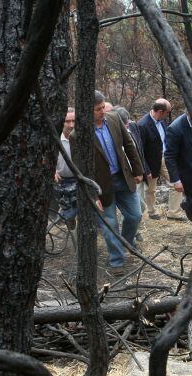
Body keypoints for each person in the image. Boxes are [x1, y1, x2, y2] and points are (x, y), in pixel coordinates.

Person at [70, 91, 144, 275]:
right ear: (87, 110)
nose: (103, 111)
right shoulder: (77, 134)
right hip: (100, 185)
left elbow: (128, 144)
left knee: (135, 215)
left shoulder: (114, 119)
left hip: (123, 178)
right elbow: (79, 169)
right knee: (110, 224)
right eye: (98, 109)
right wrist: (92, 195)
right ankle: (117, 261)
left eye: (103, 107)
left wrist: (137, 170)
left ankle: (126, 242)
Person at [138, 98, 181, 220]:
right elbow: (139, 150)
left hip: (165, 158)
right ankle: (151, 212)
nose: (168, 114)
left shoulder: (162, 121)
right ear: (161, 111)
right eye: (167, 112)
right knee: (150, 189)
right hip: (150, 162)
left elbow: (165, 140)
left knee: (176, 183)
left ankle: (174, 213)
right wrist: (146, 169)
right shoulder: (142, 125)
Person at [115, 107, 150, 218]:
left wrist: (144, 170)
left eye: (127, 124)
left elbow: (139, 151)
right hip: (123, 177)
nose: (126, 126)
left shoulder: (133, 127)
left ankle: (134, 230)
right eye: (124, 125)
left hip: (136, 175)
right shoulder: (112, 137)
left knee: (141, 207)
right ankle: (133, 231)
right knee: (135, 208)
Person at [54, 108, 78, 229]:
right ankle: (70, 222)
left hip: (80, 180)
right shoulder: (55, 139)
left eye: (74, 120)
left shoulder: (82, 138)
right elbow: (45, 158)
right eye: (67, 121)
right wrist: (52, 171)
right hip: (63, 182)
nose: (71, 125)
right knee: (68, 215)